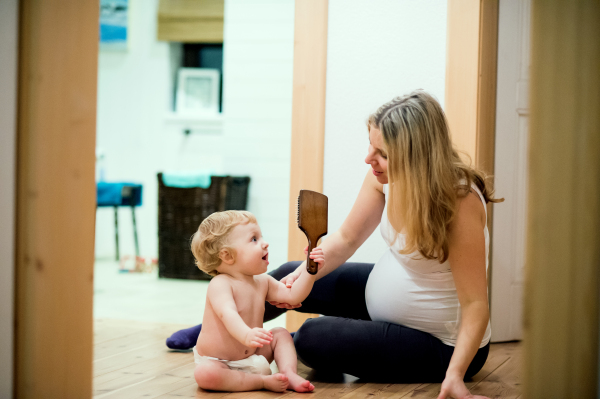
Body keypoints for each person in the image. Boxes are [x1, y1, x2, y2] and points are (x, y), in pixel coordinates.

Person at [168, 90, 502, 399]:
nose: (368, 158)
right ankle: (216, 332)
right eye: (370, 144)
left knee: (315, 338)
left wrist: (455, 374)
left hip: (442, 343)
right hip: (382, 300)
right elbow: (345, 239)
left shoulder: (458, 202)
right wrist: (307, 270)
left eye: (382, 153)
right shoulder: (383, 177)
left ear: (417, 157)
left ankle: (262, 347)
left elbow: (475, 304)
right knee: (289, 273)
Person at [189, 210, 322, 393]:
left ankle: (288, 373)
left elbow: (293, 297)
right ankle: (261, 381)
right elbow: (228, 313)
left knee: (280, 334)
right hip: (220, 363)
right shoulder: (220, 284)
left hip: (253, 354)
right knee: (205, 374)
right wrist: (246, 335)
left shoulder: (263, 281)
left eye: (261, 237)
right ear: (227, 256)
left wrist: (310, 271)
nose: (265, 243)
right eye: (254, 239)